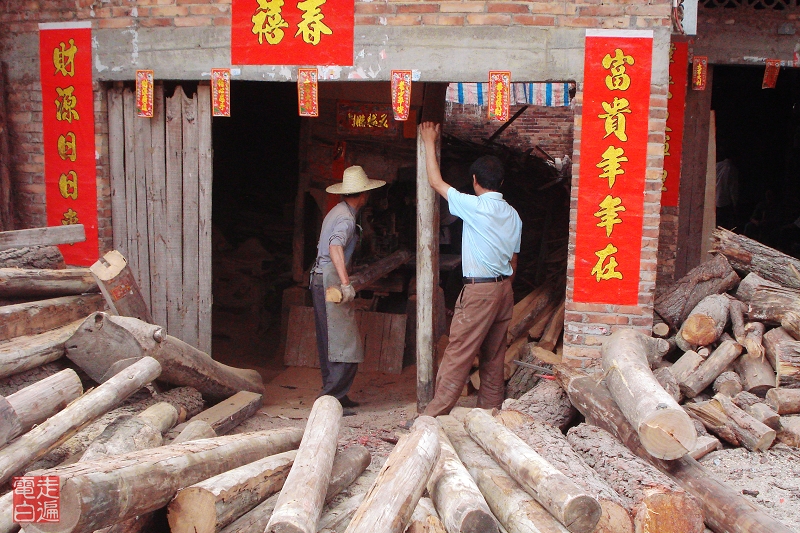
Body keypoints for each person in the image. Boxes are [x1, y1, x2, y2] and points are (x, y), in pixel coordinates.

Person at [418, 121, 522, 418]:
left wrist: (428, 141)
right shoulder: (512, 214)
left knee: (458, 353)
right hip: (504, 289)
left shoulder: (475, 206)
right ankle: (489, 414)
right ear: (501, 182)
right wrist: (505, 287)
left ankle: (432, 417)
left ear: (475, 180)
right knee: (494, 356)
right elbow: (514, 260)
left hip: (480, 290)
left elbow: (435, 182)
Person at [310, 165, 386, 409]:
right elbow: (335, 246)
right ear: (363, 194)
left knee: (331, 342)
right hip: (329, 281)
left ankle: (336, 398)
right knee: (345, 345)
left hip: (320, 278)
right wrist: (345, 283)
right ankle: (329, 400)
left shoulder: (338, 210)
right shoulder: (346, 218)